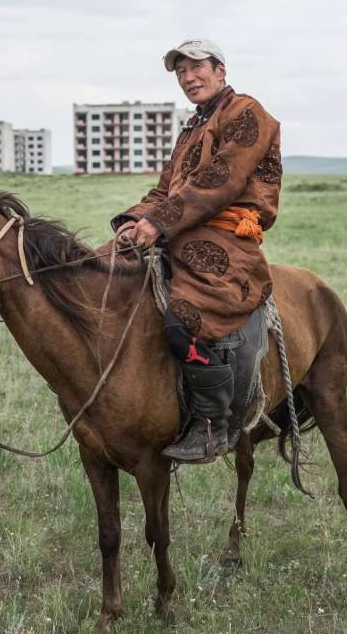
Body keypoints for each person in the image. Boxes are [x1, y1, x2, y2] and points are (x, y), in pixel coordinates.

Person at [111, 38, 283, 463]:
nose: (188, 77)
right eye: (180, 72)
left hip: (226, 235)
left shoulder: (247, 113)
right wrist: (134, 222)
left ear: (220, 70)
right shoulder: (191, 128)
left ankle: (212, 422)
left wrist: (160, 222)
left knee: (183, 318)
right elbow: (164, 188)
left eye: (196, 67)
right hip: (183, 229)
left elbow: (223, 177)